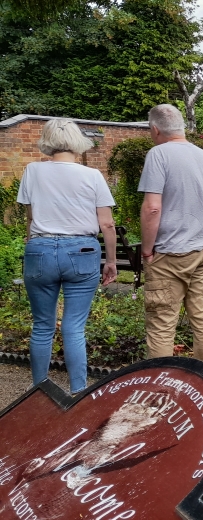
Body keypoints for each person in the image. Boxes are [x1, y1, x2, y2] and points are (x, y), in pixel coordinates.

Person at [16, 119, 117, 395]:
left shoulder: (33, 171)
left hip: (41, 249)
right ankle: (78, 393)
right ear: (77, 142)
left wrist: (34, 244)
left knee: (42, 326)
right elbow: (107, 224)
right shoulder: (93, 175)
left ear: (47, 141)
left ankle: (39, 392)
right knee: (74, 328)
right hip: (82, 252)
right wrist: (110, 261)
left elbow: (31, 217)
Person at [138, 104, 203, 367]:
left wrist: (147, 250)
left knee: (162, 322)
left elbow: (153, 207)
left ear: (155, 129)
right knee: (201, 316)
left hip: (169, 253)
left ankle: (161, 390)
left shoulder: (158, 154)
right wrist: (202, 235)